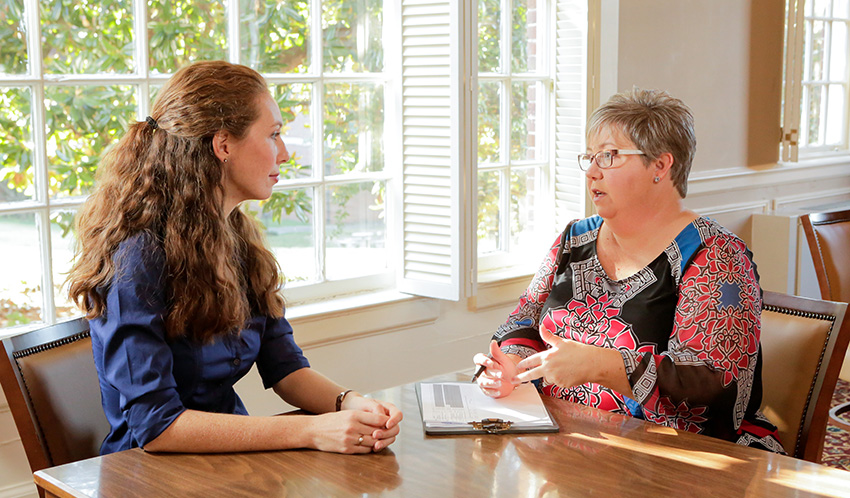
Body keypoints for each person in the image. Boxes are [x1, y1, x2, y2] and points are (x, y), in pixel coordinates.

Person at [67, 61, 402, 455]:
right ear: (224, 145)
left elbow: (285, 367)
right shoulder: (138, 256)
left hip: (229, 464)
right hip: (145, 476)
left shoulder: (237, 237)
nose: (286, 153)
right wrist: (311, 432)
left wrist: (350, 403)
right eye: (274, 134)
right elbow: (157, 427)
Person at [473, 88, 784, 453]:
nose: (591, 172)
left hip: (687, 460)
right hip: (569, 445)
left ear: (661, 166)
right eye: (589, 157)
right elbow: (522, 321)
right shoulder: (574, 239)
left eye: (608, 156)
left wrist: (600, 366)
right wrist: (510, 366)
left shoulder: (717, 256)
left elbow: (715, 384)